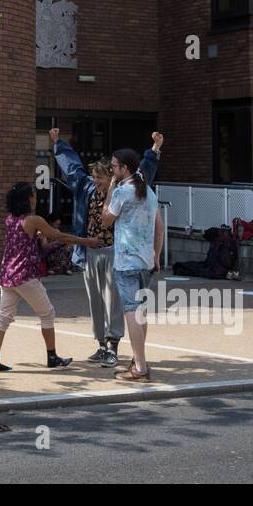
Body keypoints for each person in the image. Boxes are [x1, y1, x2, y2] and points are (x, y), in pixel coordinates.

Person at [50, 128, 163, 367]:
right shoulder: (87, 190)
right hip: (91, 253)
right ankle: (101, 345)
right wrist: (59, 144)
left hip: (115, 252)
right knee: (96, 301)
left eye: (99, 177)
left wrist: (154, 150)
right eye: (93, 177)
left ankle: (113, 346)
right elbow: (72, 169)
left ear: (110, 176)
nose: (95, 181)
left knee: (115, 302)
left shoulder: (123, 192)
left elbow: (144, 171)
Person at [0, 182, 88, 372]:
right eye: (33, 194)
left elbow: (28, 241)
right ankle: (52, 357)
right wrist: (87, 241)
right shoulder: (34, 220)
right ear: (28, 199)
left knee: (4, 317)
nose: (35, 197)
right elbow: (60, 236)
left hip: (7, 275)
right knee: (47, 313)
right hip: (25, 276)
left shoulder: (10, 219)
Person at [101, 149, 162, 382]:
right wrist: (156, 255)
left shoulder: (122, 192)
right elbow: (160, 227)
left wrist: (109, 191)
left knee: (131, 312)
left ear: (124, 169)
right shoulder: (148, 191)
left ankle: (141, 367)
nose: (112, 170)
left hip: (127, 260)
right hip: (146, 261)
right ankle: (139, 360)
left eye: (114, 167)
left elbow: (106, 220)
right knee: (141, 314)